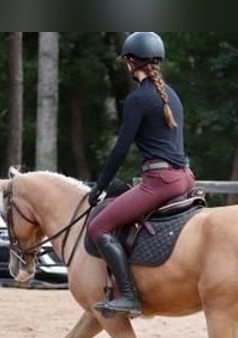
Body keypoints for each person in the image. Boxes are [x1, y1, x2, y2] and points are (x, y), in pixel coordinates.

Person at [87, 31, 195, 319]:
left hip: (160, 182)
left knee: (98, 227)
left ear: (131, 62)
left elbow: (121, 149)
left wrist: (100, 186)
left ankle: (130, 297)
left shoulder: (138, 99)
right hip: (185, 177)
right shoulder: (171, 95)